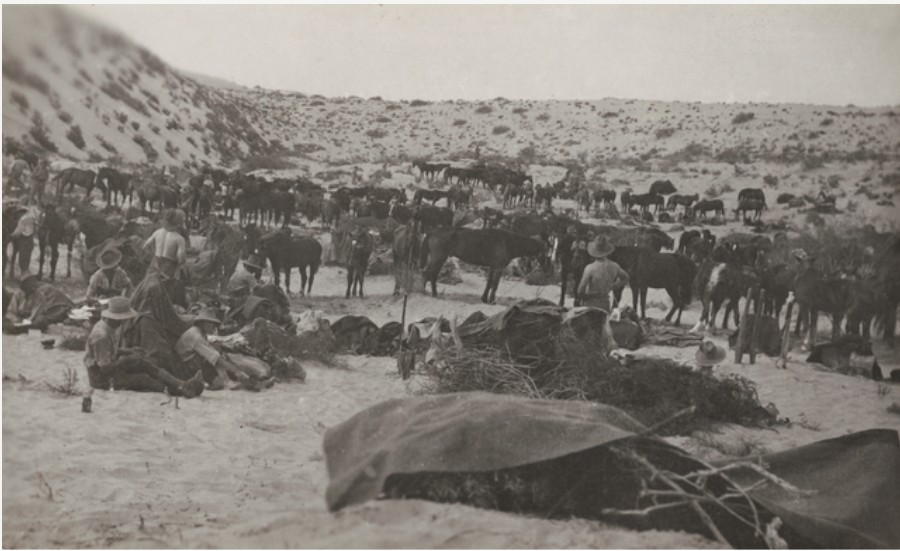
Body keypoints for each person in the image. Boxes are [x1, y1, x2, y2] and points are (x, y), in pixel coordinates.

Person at [85, 296, 204, 396]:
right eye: (123, 319)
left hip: (110, 368)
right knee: (144, 379)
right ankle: (181, 390)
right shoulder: (101, 335)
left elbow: (110, 351)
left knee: (145, 364)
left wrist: (128, 351)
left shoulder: (107, 326)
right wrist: (126, 360)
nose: (124, 322)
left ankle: (181, 384)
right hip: (102, 379)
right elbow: (104, 368)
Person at [176, 308, 250, 390]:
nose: (213, 327)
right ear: (202, 323)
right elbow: (215, 357)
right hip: (185, 365)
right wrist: (237, 372)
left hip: (190, 359)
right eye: (210, 324)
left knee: (216, 349)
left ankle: (223, 379)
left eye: (214, 324)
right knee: (216, 356)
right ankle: (226, 381)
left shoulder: (199, 332)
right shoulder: (196, 336)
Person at [577, 236, 629, 313]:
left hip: (590, 305)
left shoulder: (590, 268)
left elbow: (580, 291)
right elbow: (626, 277)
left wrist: (584, 297)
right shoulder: (614, 266)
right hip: (605, 303)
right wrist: (614, 286)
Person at [5, 273, 73, 330]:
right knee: (5, 323)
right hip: (19, 318)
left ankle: (24, 328)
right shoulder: (18, 294)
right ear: (23, 285)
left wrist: (27, 321)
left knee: (41, 321)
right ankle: (21, 328)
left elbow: (36, 311)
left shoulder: (39, 295)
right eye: (27, 283)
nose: (30, 285)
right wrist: (16, 319)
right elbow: (11, 311)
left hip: (32, 319)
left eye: (31, 283)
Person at [143, 209, 186, 279]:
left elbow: (145, 246)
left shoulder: (157, 232)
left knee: (148, 280)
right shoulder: (180, 239)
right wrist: (177, 269)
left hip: (155, 264)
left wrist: (154, 254)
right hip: (168, 268)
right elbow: (181, 260)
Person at [10, 205, 37, 277]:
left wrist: (11, 236)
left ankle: (23, 276)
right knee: (27, 258)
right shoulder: (32, 219)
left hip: (23, 240)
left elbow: (18, 231)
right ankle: (25, 274)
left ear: (21, 213)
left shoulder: (22, 220)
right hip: (30, 240)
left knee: (22, 259)